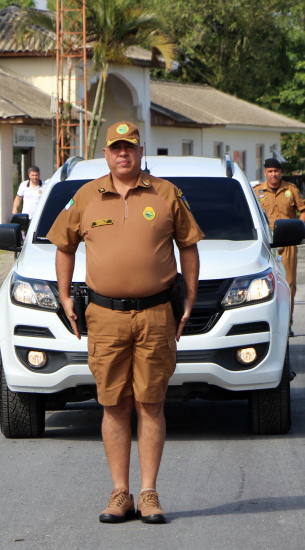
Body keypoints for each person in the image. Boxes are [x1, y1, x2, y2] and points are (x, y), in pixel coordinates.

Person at [47, 121, 202, 525]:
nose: (123, 154)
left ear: (139, 151)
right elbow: (64, 246)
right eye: (116, 148)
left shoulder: (166, 194)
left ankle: (149, 493)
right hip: (105, 316)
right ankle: (120, 492)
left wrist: (190, 297)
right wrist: (64, 296)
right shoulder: (86, 196)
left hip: (156, 313)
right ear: (106, 153)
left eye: (129, 147)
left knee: (151, 402)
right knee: (113, 404)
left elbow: (188, 246)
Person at [253, 158, 305, 337]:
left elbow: (304, 211)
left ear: (280, 172)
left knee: (289, 284)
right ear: (265, 173)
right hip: (265, 244)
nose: (273, 174)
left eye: (276, 171)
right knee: (262, 285)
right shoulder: (257, 191)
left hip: (287, 243)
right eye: (270, 171)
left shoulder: (290, 190)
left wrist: (298, 229)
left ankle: (287, 324)